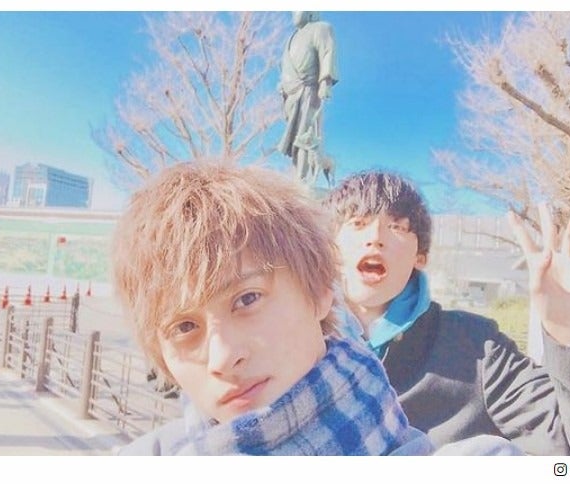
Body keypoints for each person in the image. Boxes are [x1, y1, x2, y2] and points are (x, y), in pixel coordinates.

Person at [110, 161, 521, 456]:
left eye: (247, 298)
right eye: (184, 327)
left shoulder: (475, 348)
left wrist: (558, 328)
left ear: (322, 292)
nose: (222, 357)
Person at [322, 170, 570, 456]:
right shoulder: (297, 341)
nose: (375, 238)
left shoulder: (477, 349)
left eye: (396, 226)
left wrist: (568, 328)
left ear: (421, 256)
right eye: (358, 224)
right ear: (331, 247)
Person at [277, 11, 338, 184]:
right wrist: (283, 84)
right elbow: (285, 67)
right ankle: (297, 175)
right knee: (295, 138)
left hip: (309, 90)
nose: (294, 12)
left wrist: (325, 81)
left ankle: (302, 178)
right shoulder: (291, 38)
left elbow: (327, 52)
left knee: (304, 135)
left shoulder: (321, 28)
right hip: (292, 93)